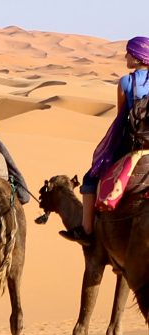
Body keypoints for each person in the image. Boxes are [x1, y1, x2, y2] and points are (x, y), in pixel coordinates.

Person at [61, 36, 149, 246]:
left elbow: (121, 117)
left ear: (137, 57)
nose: (125, 56)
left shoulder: (127, 82)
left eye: (129, 52)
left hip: (134, 144)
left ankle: (87, 231)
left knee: (91, 178)